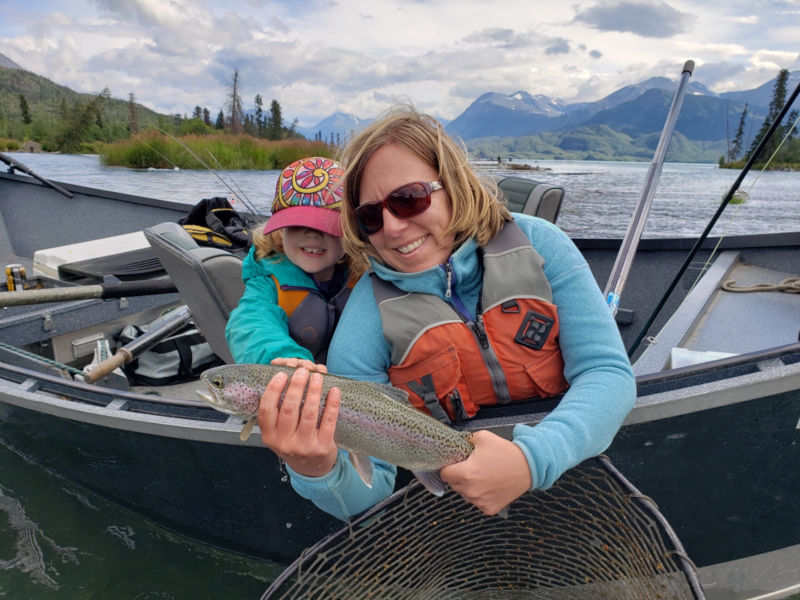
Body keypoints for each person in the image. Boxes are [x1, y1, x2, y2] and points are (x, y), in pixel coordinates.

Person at [255, 105, 636, 520]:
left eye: (409, 199)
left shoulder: (541, 244)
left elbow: (607, 373)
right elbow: (370, 494)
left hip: (577, 477)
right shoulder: (365, 321)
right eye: (369, 217)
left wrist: (532, 460)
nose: (393, 228)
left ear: (453, 184)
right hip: (457, 519)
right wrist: (314, 469)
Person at [225, 156, 358, 366]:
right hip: (301, 383)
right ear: (280, 230)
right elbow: (250, 322)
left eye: (327, 226)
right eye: (298, 223)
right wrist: (283, 359)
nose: (313, 235)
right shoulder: (267, 279)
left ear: (351, 234)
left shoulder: (364, 274)